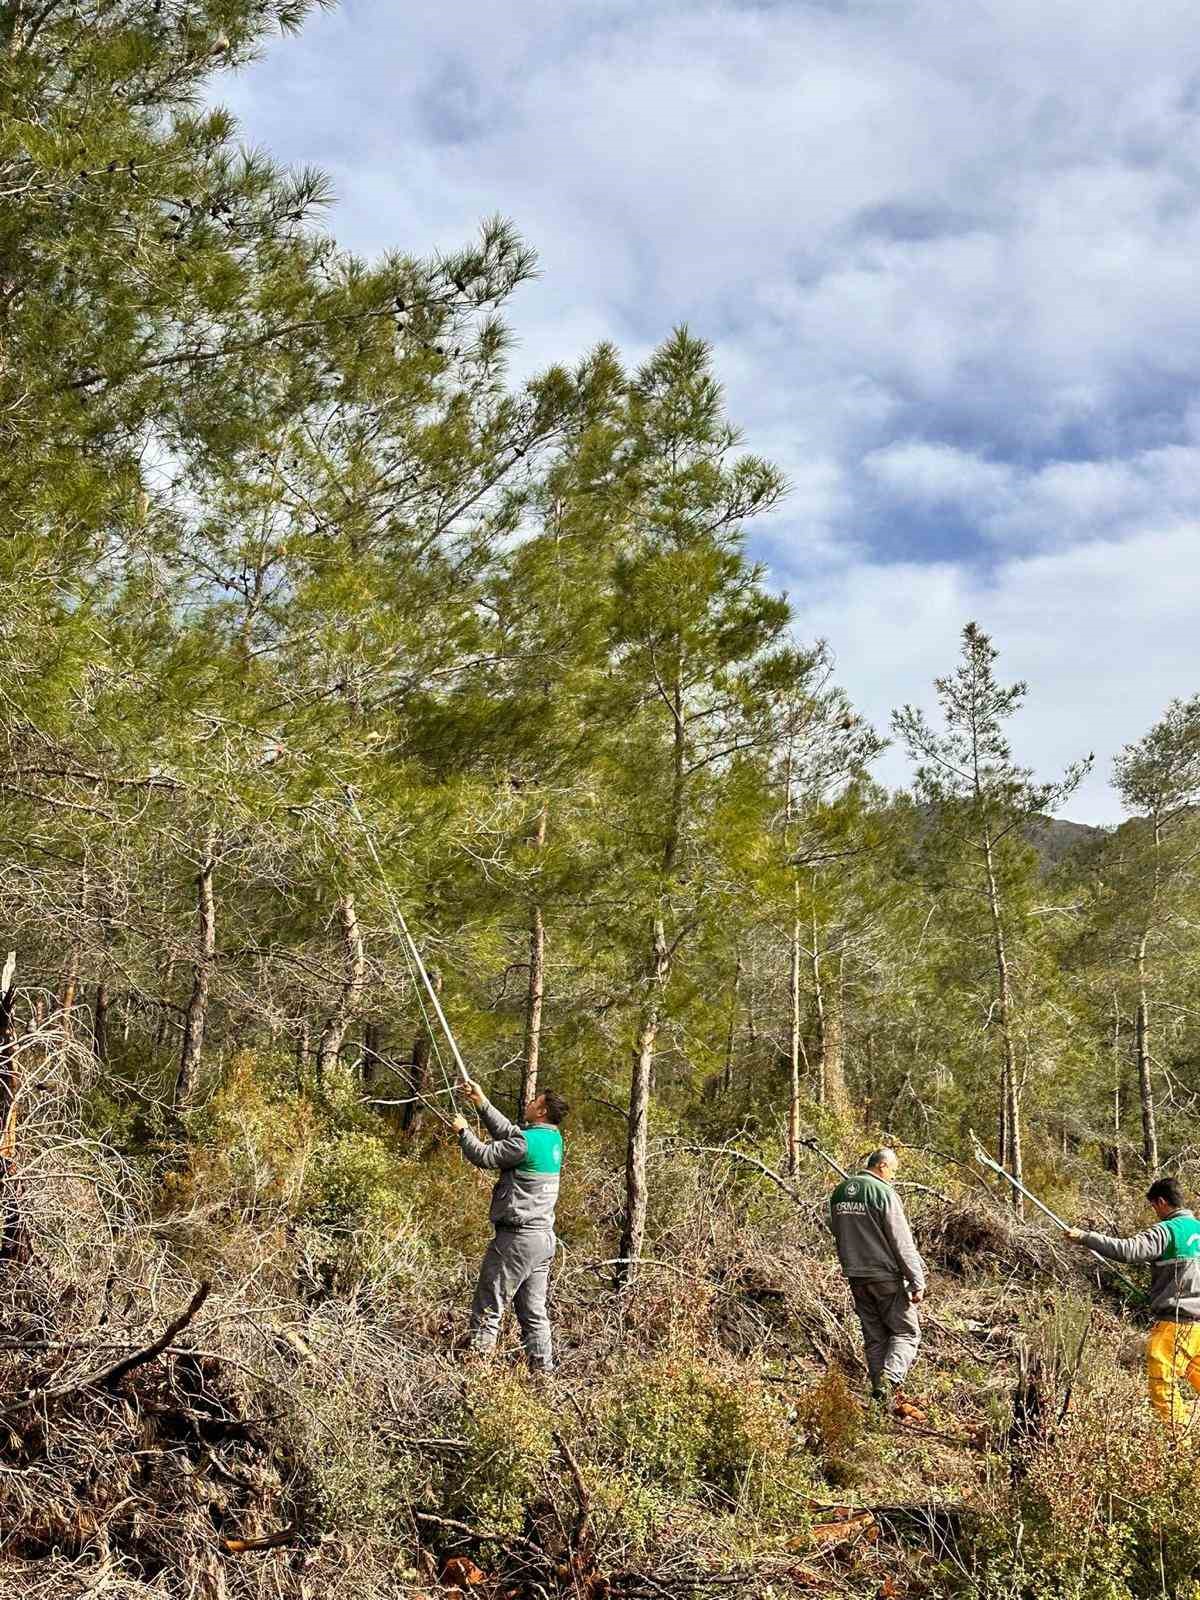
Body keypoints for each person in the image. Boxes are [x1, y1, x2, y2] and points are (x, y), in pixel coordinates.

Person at [452, 1078, 568, 1376]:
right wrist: (481, 1102)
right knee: (534, 1315)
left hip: (516, 1241)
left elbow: (484, 1156)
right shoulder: (553, 1140)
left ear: (541, 1111)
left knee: (488, 1309)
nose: (529, 1103)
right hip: (543, 1241)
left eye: (534, 1102)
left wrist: (463, 1132)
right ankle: (544, 1379)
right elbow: (511, 1134)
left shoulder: (526, 1143)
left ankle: (477, 1378)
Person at [1067, 1177, 1200, 1432]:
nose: (1155, 1212)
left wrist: (1085, 1237)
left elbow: (1128, 1250)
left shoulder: (1167, 1231)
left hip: (1176, 1326)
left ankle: (1179, 1444)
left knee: (1163, 1385)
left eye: (1154, 1206)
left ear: (1161, 1202)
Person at [828, 1146, 927, 1412]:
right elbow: (901, 1241)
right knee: (906, 1333)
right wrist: (916, 1280)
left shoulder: (840, 1192)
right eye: (893, 1170)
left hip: (856, 1276)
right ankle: (888, 1381)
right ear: (882, 1165)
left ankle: (879, 1404)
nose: (893, 1176)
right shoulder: (883, 1192)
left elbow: (835, 1229)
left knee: (875, 1339)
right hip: (885, 1276)